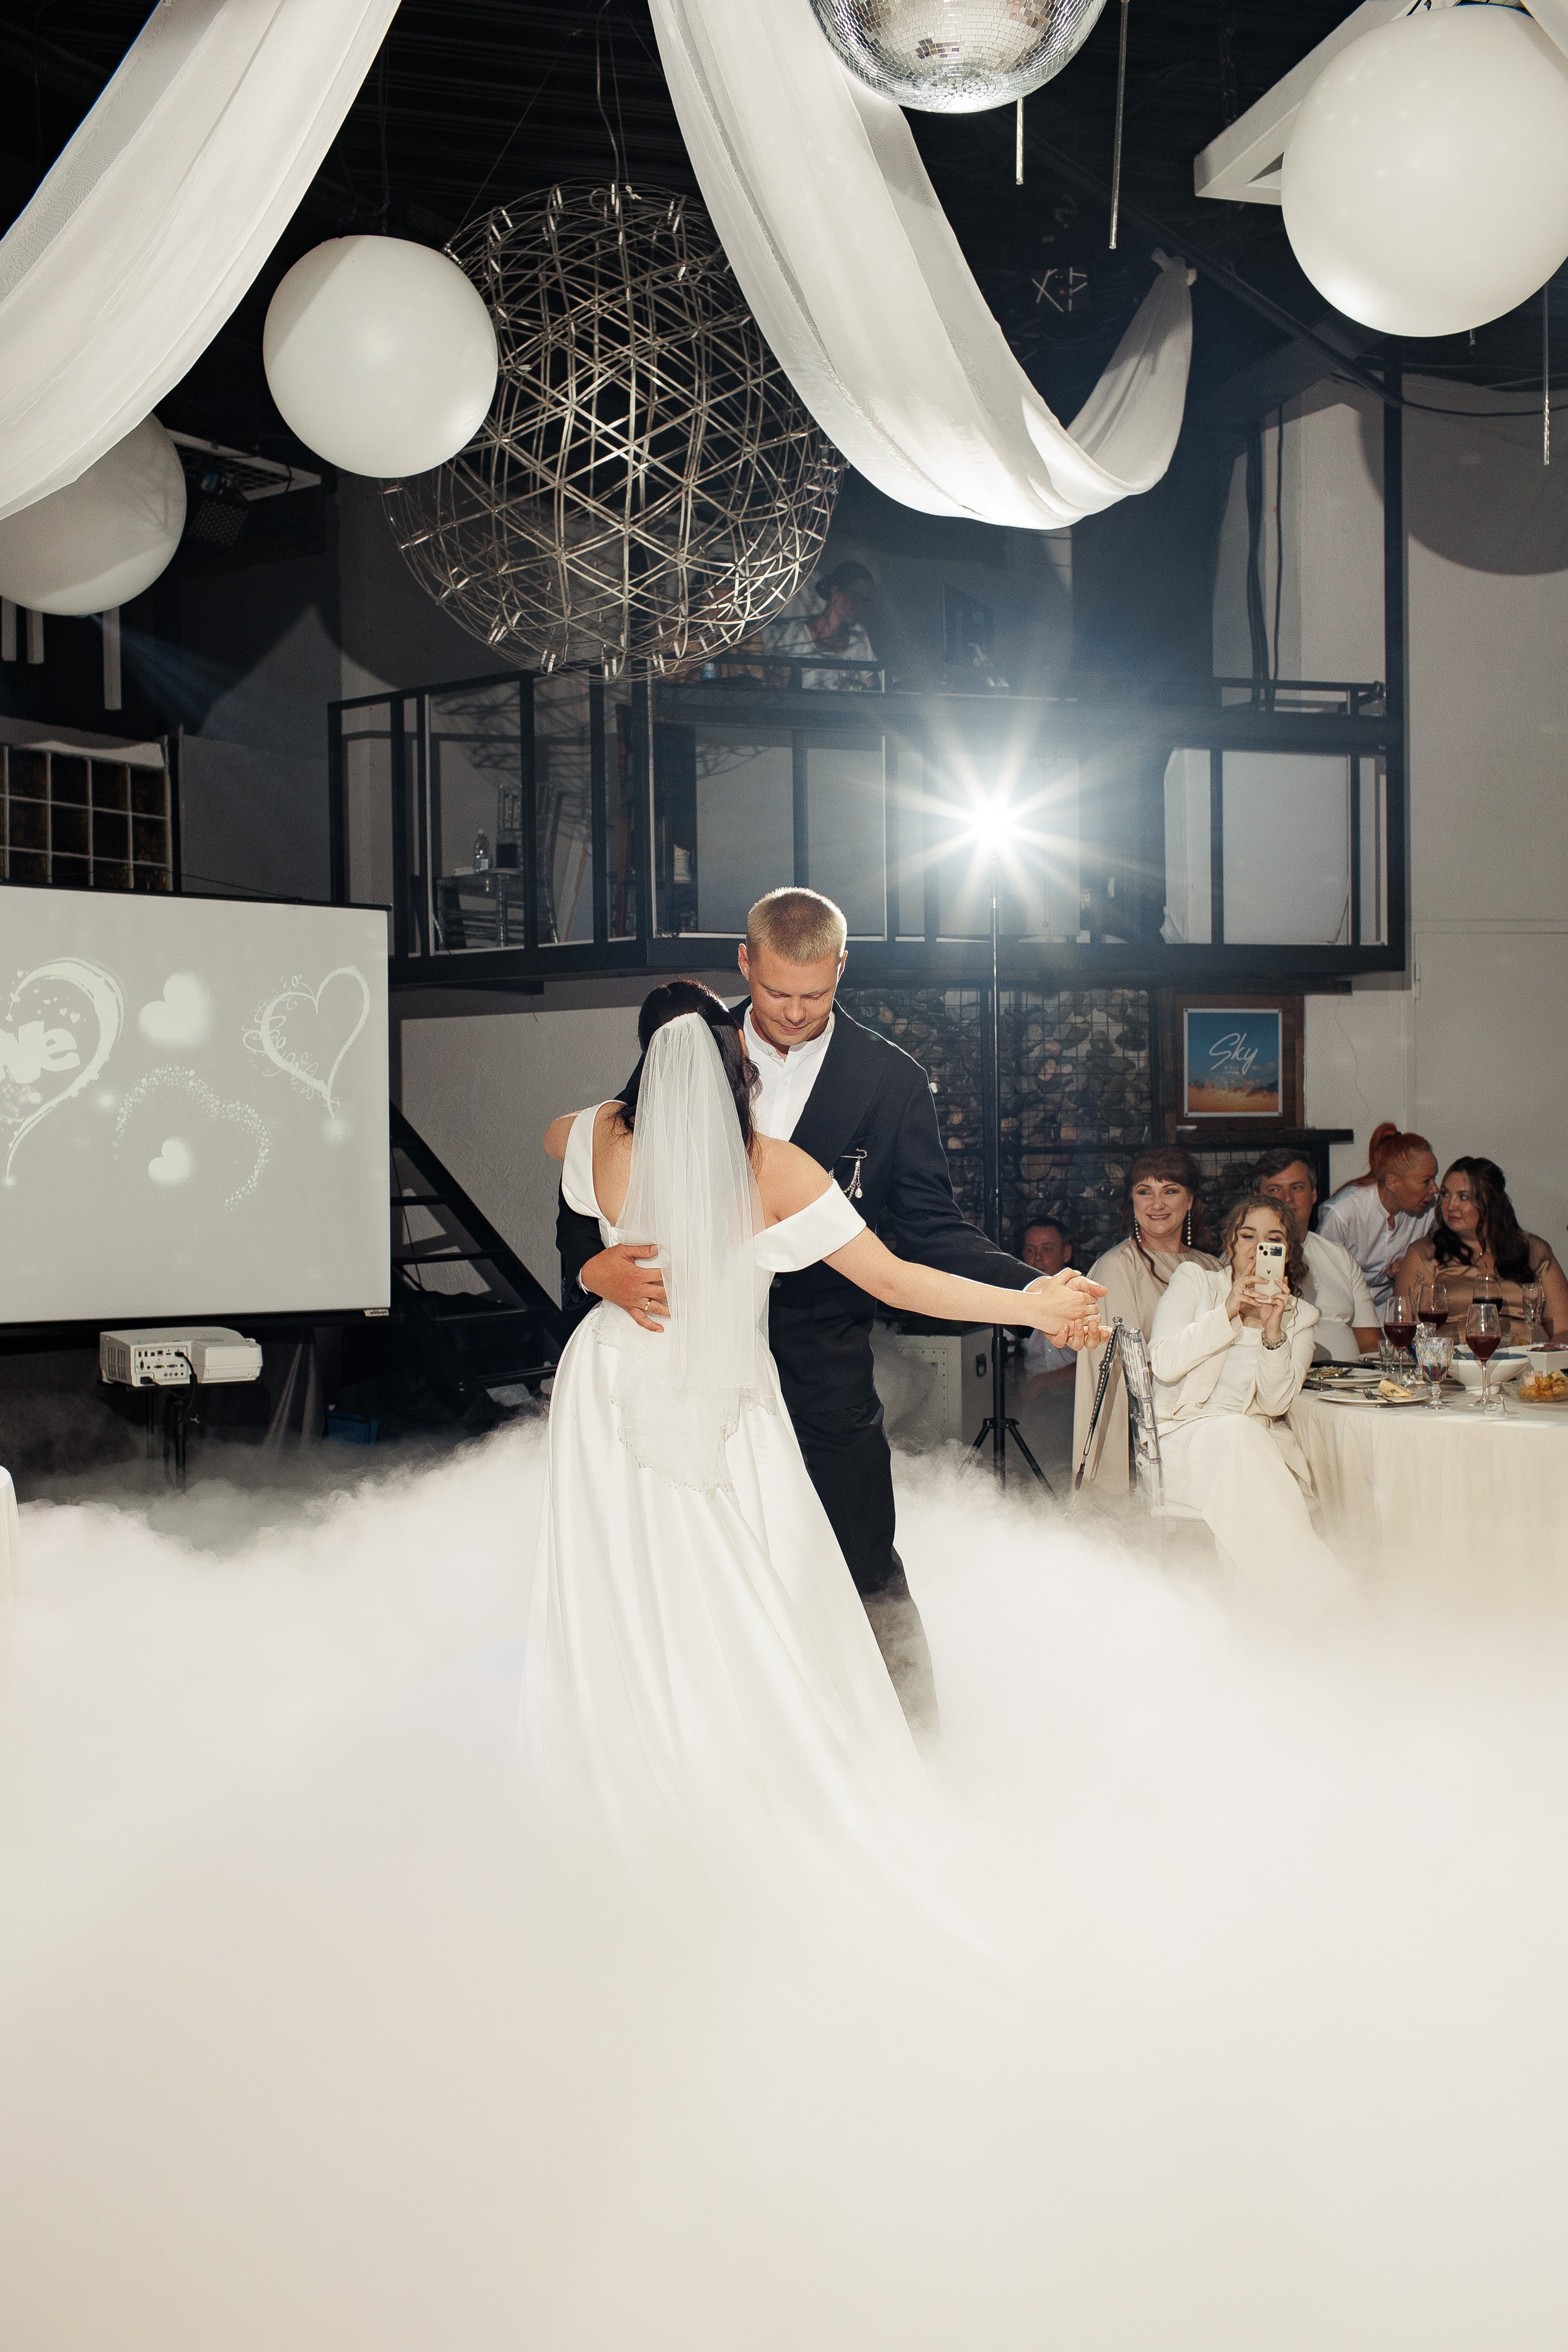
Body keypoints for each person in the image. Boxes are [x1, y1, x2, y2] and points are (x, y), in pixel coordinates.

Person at [533, 986, 1104, 1830]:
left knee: (624, 1572)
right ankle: (744, 1766)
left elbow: (556, 1141)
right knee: (752, 1579)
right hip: (721, 1397)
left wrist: (600, 1253)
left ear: (649, 1062)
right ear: (737, 1063)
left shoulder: (590, 1134)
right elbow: (896, 1279)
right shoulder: (772, 1169)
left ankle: (626, 1757)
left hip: (607, 1384)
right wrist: (1035, 1307)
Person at [1148, 1194, 1343, 1611]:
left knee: (1243, 1443)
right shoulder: (1196, 1282)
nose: (1258, 1249)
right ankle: (1321, 1601)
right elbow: (1163, 1363)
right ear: (1231, 1244)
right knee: (1238, 1437)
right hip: (1183, 1441)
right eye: (1247, 1236)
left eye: (1273, 1239)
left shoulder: (1300, 1316)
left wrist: (1274, 1330)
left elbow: (1274, 1405)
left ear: (1287, 1253)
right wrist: (1229, 1310)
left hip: (1251, 1448)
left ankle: (1267, 1619)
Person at [1072, 1148, 1220, 1493]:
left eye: (1170, 1191)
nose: (1157, 1204)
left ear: (1191, 1200)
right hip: (1150, 1423)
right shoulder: (1118, 1267)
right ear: (1131, 1202)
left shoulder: (1213, 1267)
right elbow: (1125, 1369)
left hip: (1211, 1408)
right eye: (1145, 1192)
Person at [1392, 1156, 1568, 1344]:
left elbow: (1563, 1329)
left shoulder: (1533, 1250)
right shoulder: (1426, 1252)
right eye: (1445, 1194)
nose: (1450, 1206)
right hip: (1458, 1364)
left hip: (1530, 1361)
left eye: (1463, 1197)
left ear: (1490, 1202)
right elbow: (1408, 1331)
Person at [1253, 1147, 1379, 1361]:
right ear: (1257, 1199)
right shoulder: (1243, 1260)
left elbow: (1369, 1340)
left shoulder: (1340, 1256)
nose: (1287, 1199)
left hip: (1350, 1383)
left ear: (1314, 1194)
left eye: (1297, 1188)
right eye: (1274, 1190)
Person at [1316, 1122, 1438, 1316]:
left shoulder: (1429, 1209)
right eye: (1426, 1181)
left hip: (1391, 1313)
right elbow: (1321, 1277)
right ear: (1393, 1182)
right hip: (1343, 1313)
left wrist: (1411, 1262)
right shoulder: (1343, 1213)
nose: (1435, 1189)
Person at [758, 560, 878, 689]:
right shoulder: (796, 635)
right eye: (856, 597)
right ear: (835, 591)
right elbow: (778, 690)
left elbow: (869, 691)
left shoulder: (859, 638)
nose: (859, 606)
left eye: (865, 601)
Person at [1020, 1216, 1076, 1372]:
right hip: (1028, 1390)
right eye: (1031, 1250)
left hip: (1075, 1392)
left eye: (1047, 1249)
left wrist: (1043, 1384)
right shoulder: (1017, 1298)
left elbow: (1094, 1363)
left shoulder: (1081, 1297)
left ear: (1066, 1253)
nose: (1038, 1258)